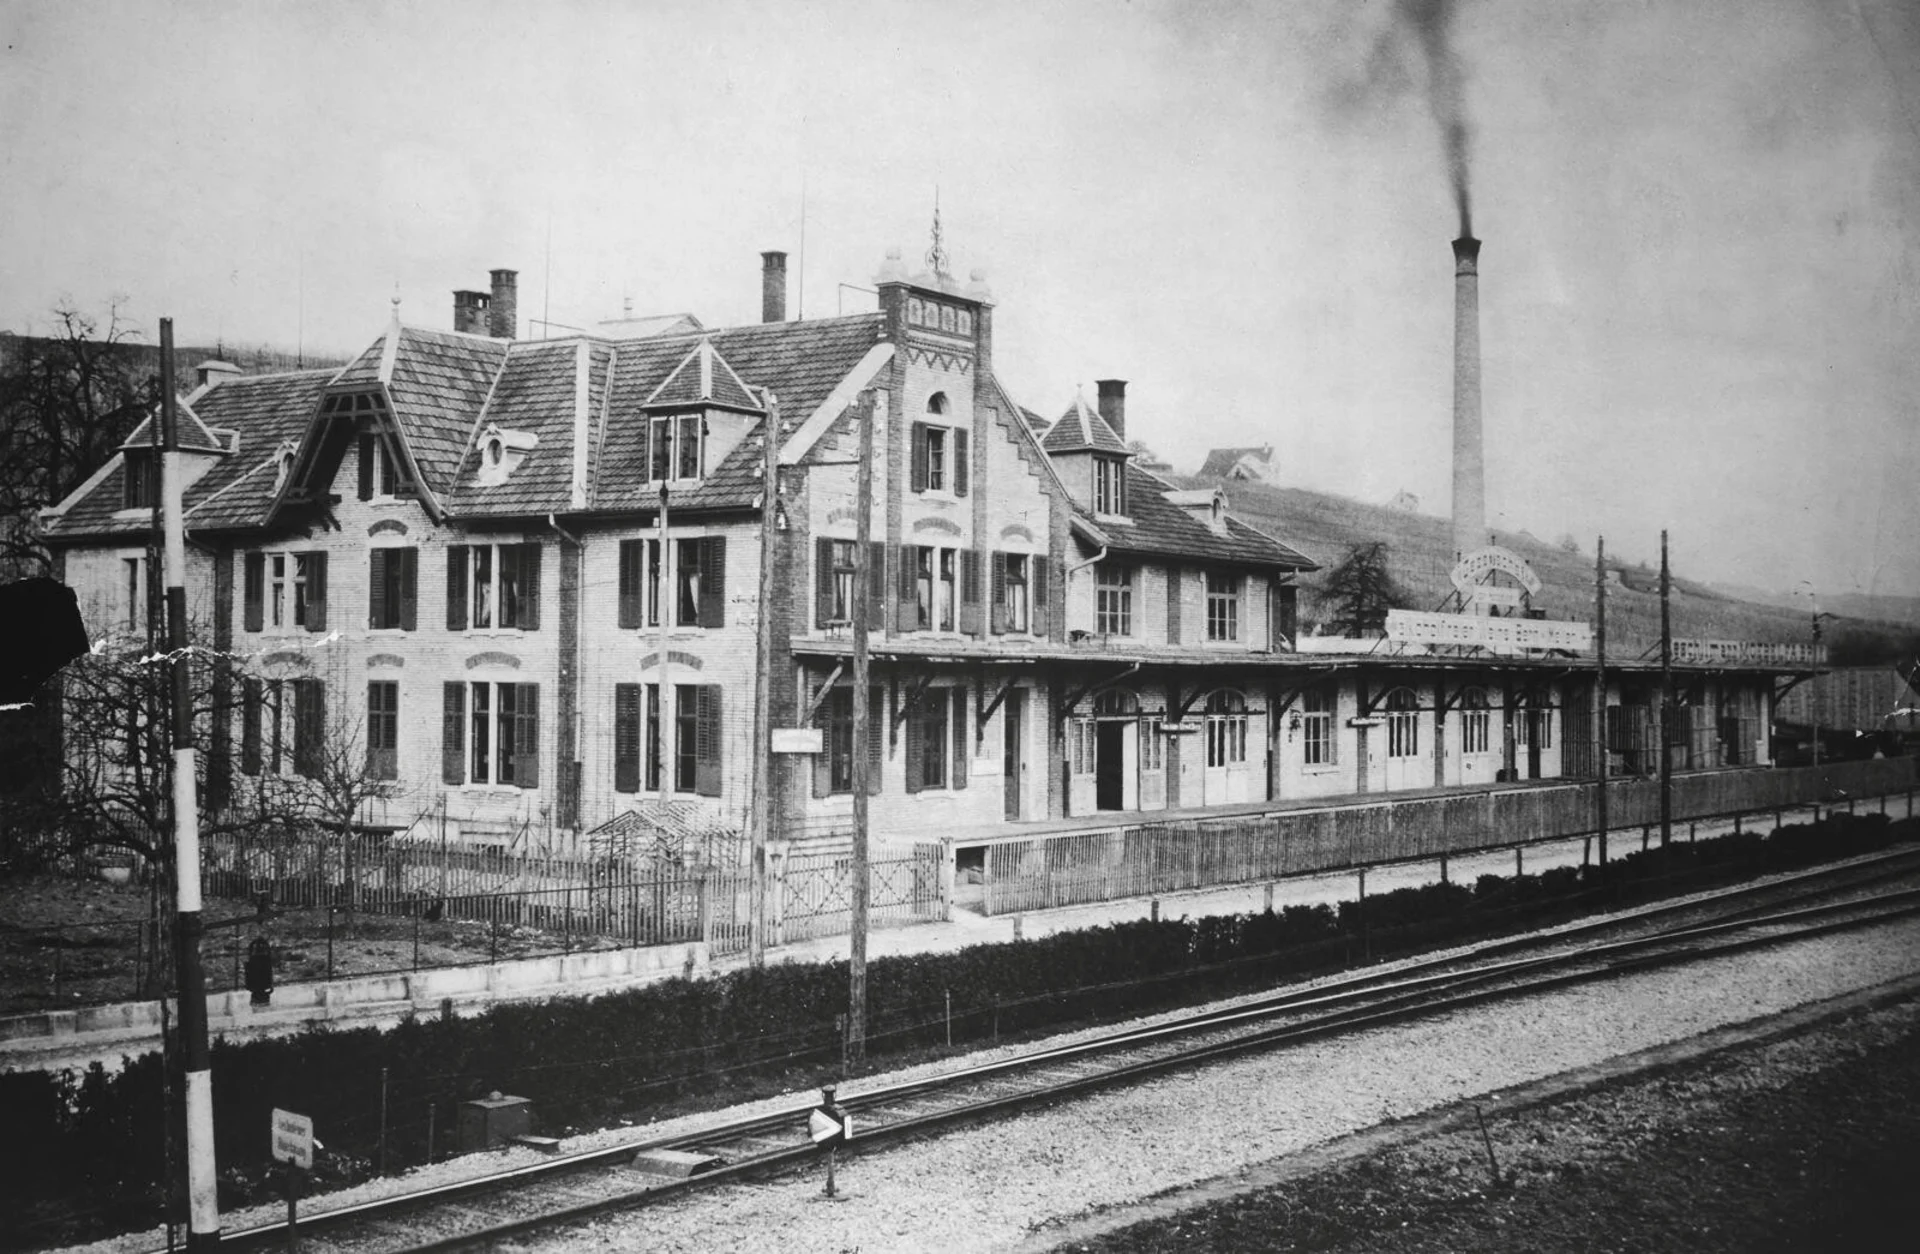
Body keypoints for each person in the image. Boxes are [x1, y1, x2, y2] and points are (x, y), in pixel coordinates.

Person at [244, 936, 274, 1006]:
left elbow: (270, 973)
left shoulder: (267, 985)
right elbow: (247, 975)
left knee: (254, 955)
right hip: (257, 965)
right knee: (254, 955)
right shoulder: (250, 987)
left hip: (258, 964)